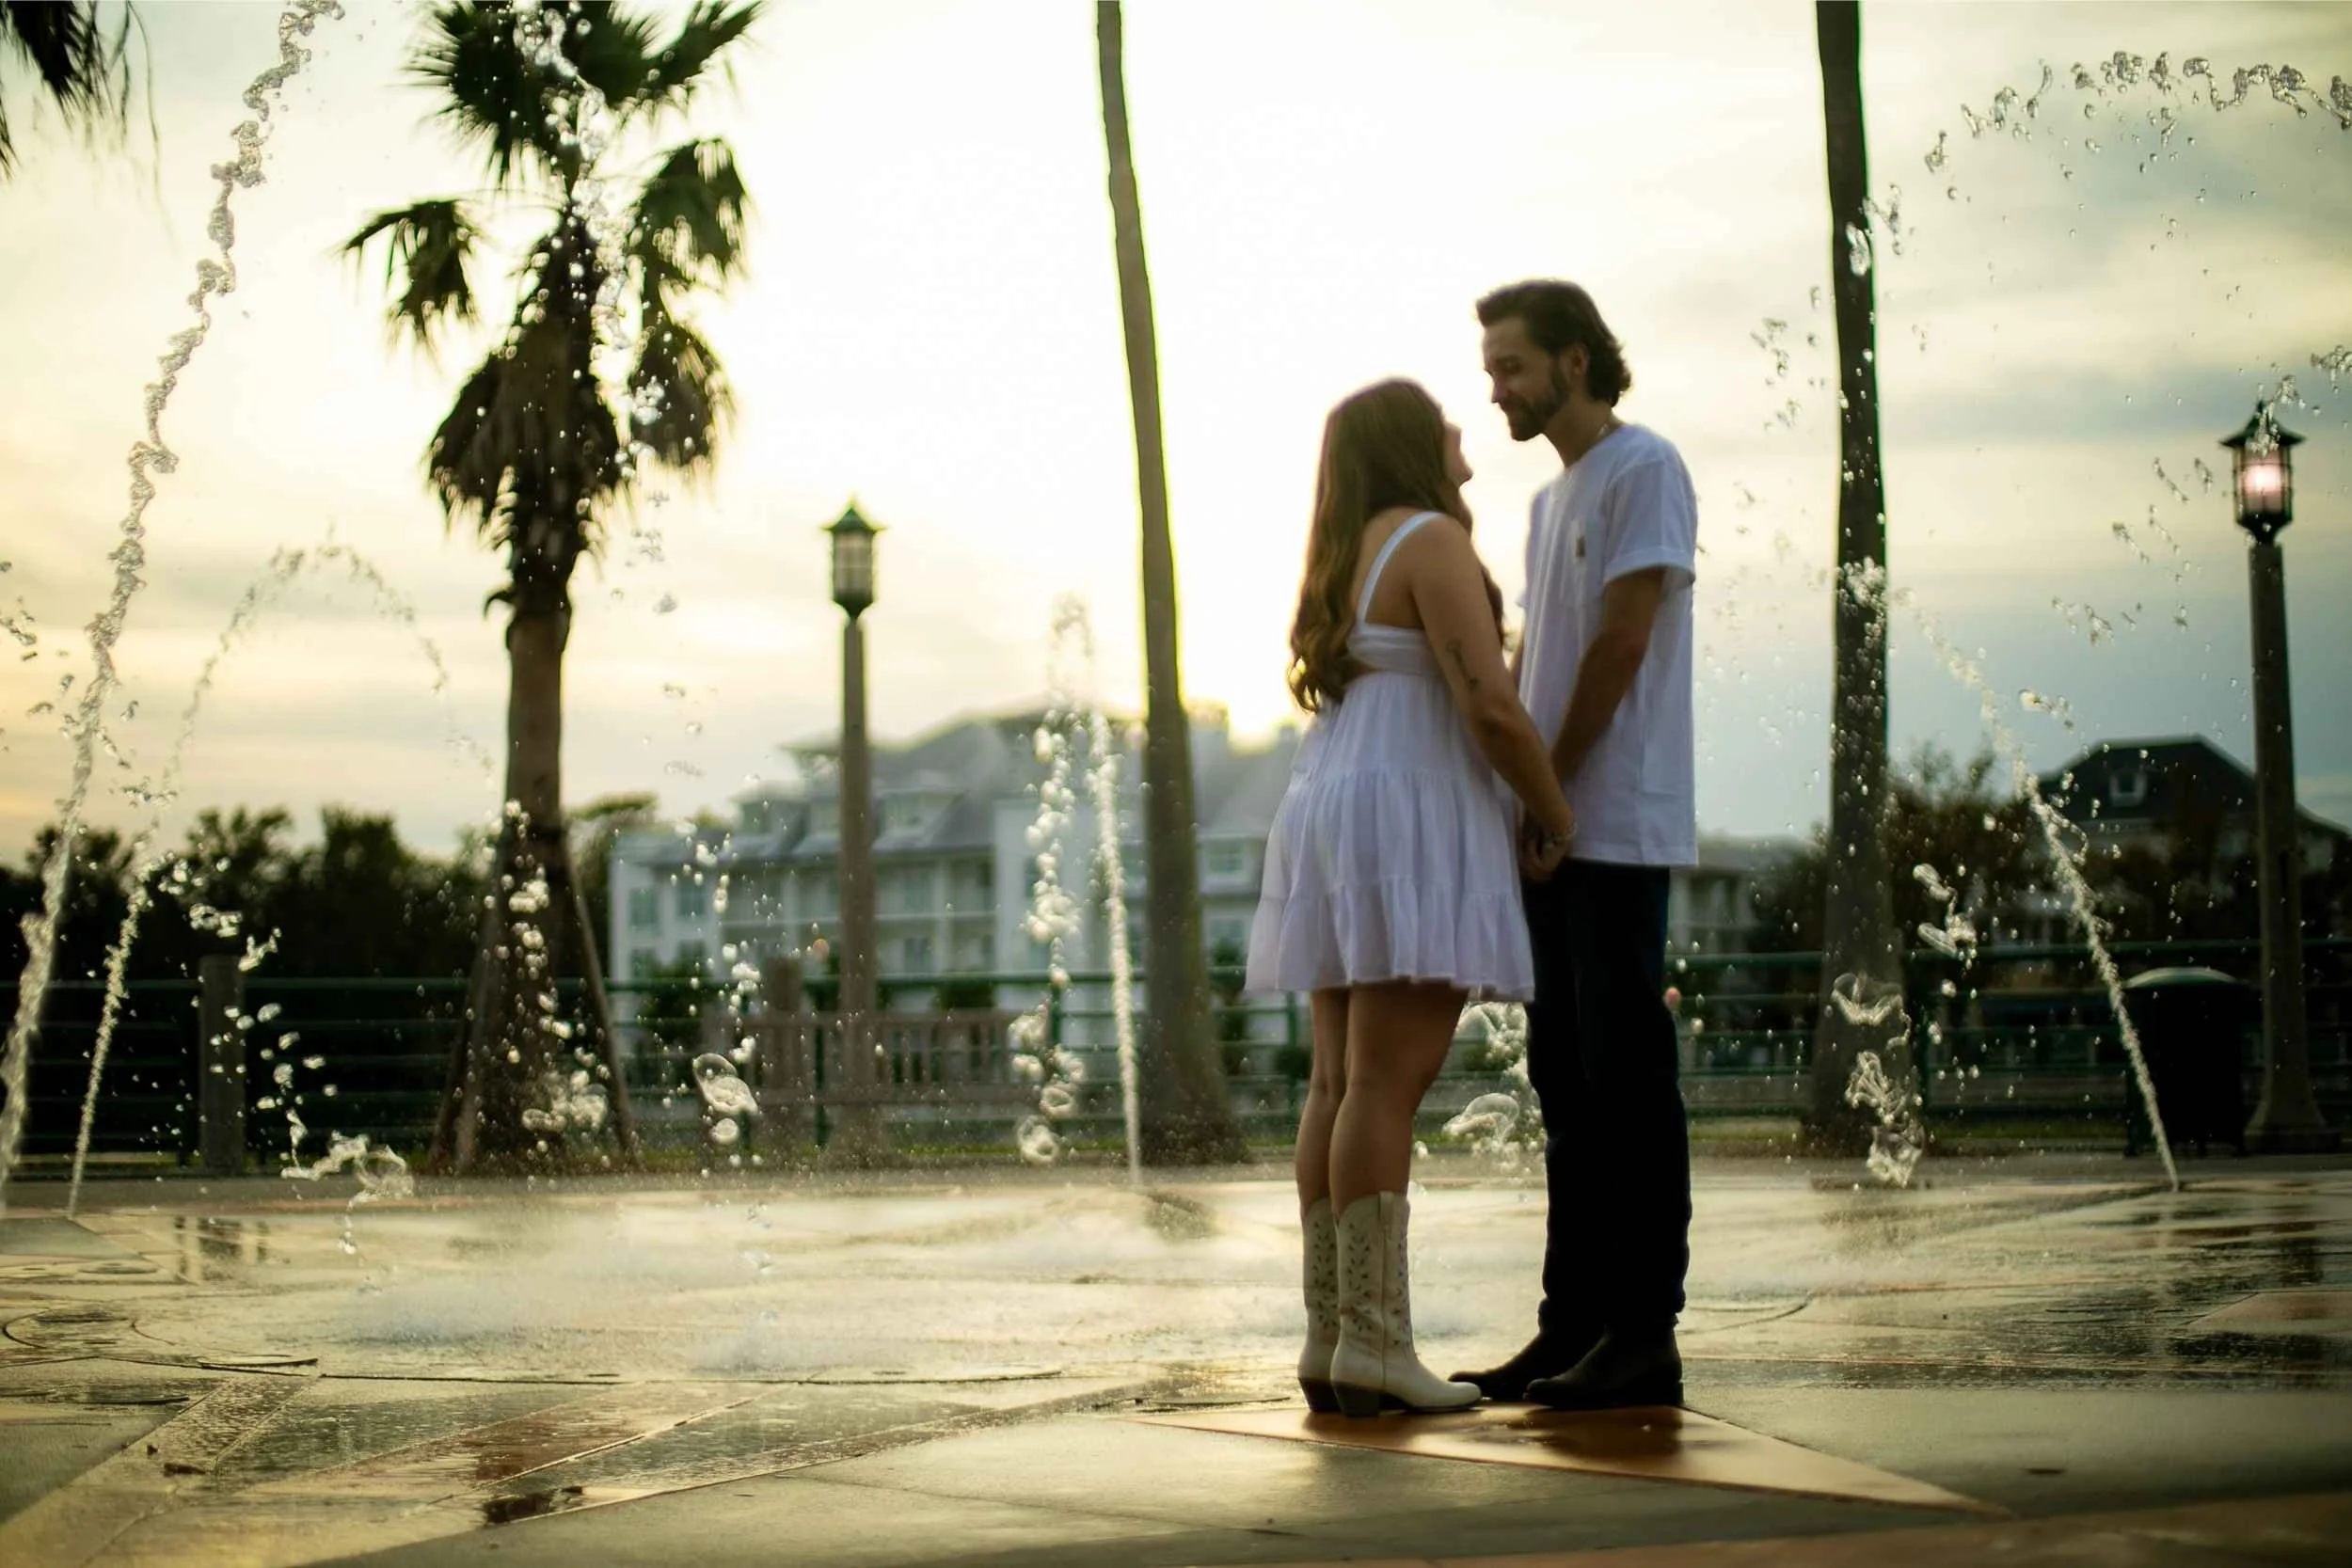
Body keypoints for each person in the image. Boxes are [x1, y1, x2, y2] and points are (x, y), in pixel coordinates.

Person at [1246, 378, 1579, 1418]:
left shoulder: (1347, 551)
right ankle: (1379, 1346)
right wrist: (1552, 812)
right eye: (1438, 413)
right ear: (1406, 441)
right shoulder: (1431, 538)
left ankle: (1334, 1338)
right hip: (1408, 812)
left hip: (1334, 802)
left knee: (1336, 1083)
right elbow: (1487, 703)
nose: (1456, 425)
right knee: (1386, 1083)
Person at [1453, 279, 1698, 1412]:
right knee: (1563, 1076)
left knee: (1625, 1074)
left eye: (1510, 364)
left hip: (1611, 822)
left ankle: (1645, 1329)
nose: (1495, 385)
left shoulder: (1644, 467)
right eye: (1491, 368)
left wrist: (1553, 797)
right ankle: (1573, 1325)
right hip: (1553, 828)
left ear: (1575, 360)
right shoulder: (1555, 501)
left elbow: (1623, 641)